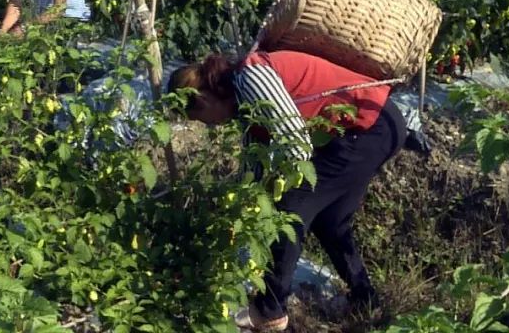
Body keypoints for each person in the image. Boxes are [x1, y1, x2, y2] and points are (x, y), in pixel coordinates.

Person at [168, 50, 407, 331]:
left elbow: (297, 143)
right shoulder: (243, 102)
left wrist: (275, 195)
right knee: (331, 222)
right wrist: (241, 204)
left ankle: (270, 310)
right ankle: (366, 299)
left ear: (205, 100)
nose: (208, 125)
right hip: (371, 127)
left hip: (370, 125)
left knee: (289, 211)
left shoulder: (251, 77)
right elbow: (253, 161)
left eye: (201, 118)